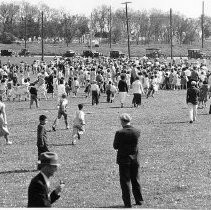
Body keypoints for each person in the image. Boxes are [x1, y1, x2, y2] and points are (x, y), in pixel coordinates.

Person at [113, 113, 143, 208]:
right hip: (135, 159)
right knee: (136, 179)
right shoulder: (137, 131)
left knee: (125, 181)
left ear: (122, 121)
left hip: (123, 159)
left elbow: (115, 146)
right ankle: (139, 200)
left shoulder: (119, 133)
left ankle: (127, 203)